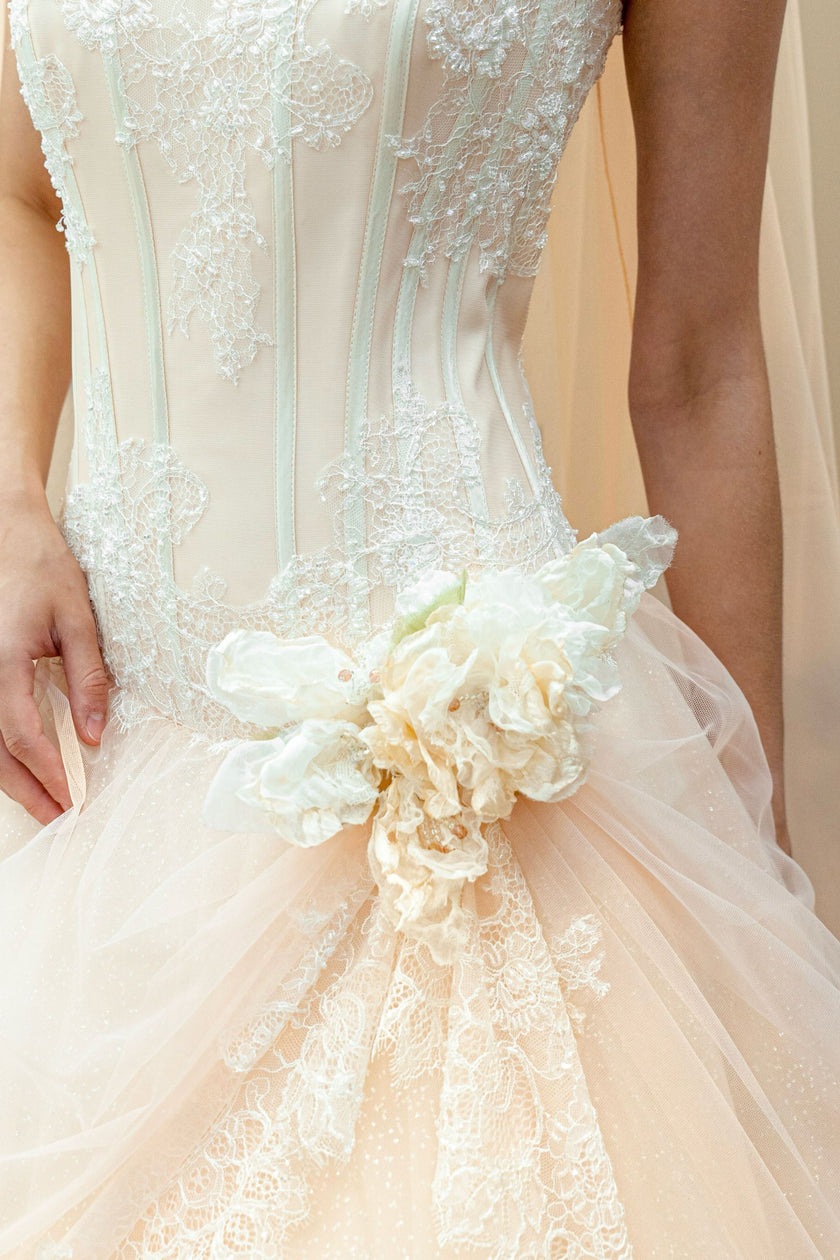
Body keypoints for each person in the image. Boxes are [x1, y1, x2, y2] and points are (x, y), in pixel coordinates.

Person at [0, 0, 838, 1255]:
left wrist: (748, 873)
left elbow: (700, 361)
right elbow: (21, 192)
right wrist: (9, 492)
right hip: (95, 766)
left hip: (483, 792)